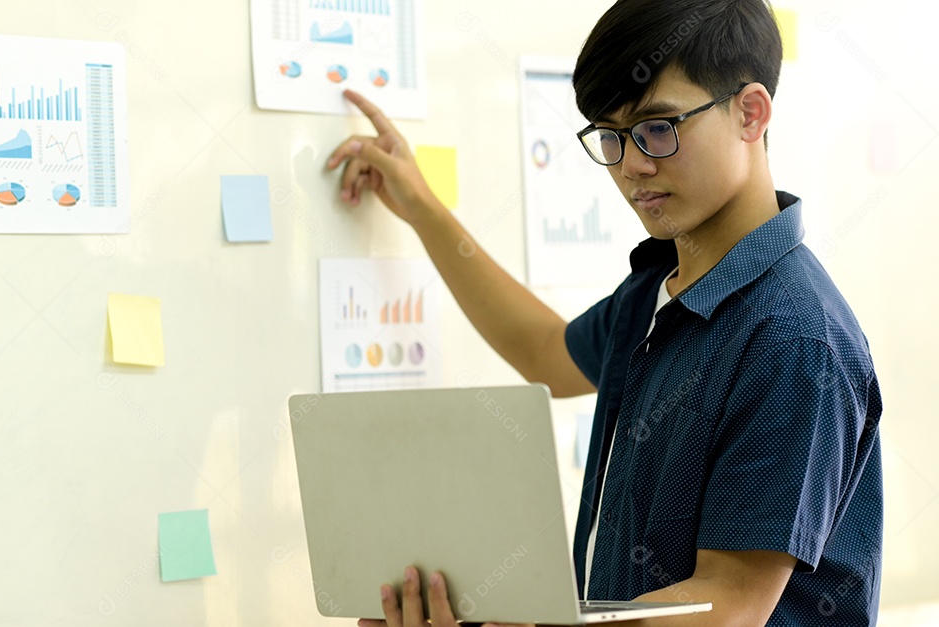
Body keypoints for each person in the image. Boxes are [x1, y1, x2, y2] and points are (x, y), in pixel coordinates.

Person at [326, 0, 883, 625]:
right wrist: (421, 205)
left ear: (749, 112)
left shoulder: (795, 337)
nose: (632, 166)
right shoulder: (655, 292)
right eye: (611, 137)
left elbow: (724, 607)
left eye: (658, 128)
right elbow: (544, 352)